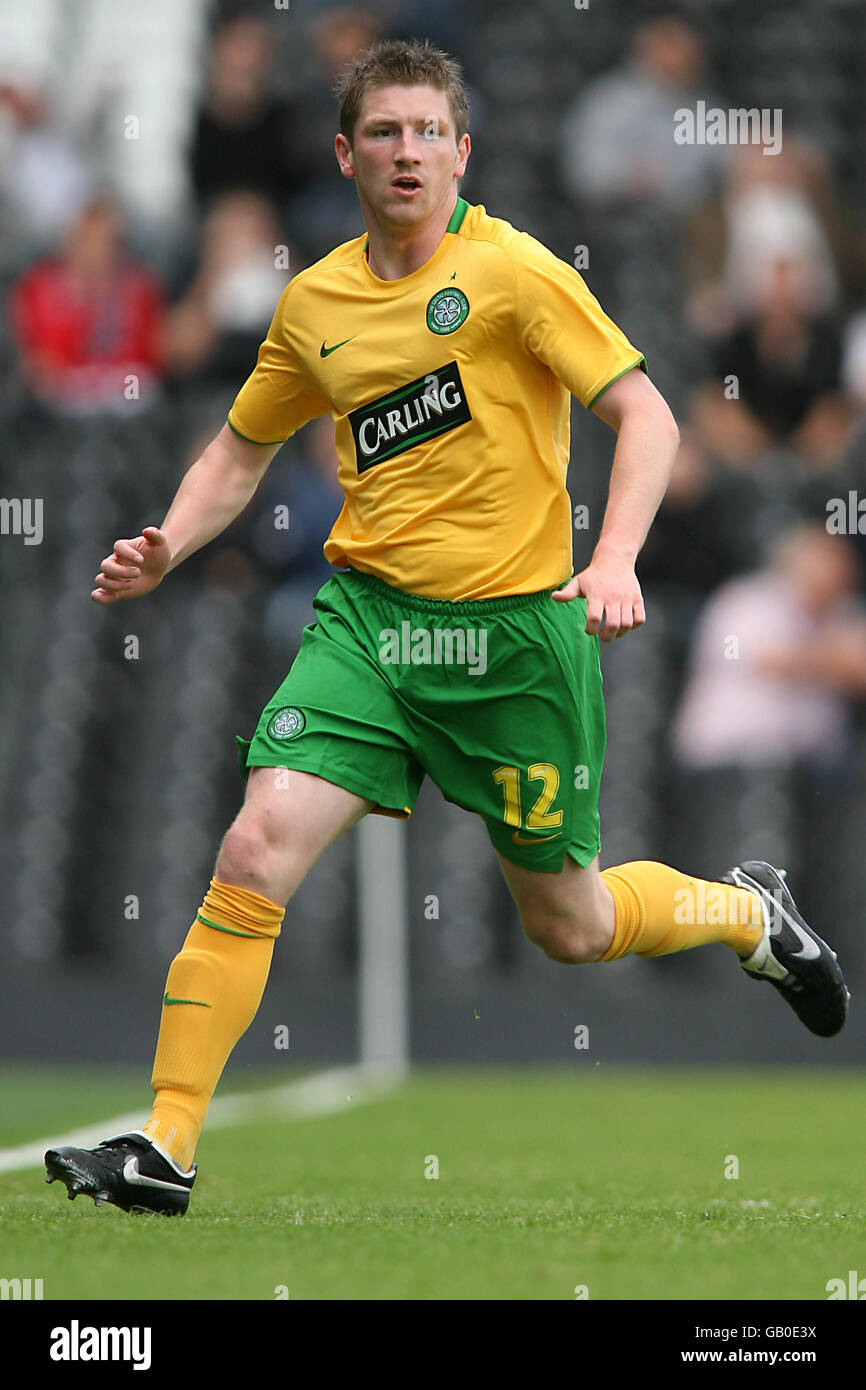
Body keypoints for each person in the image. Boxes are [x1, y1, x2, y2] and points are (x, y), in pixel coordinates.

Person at [44, 39, 849, 1217]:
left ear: (462, 151)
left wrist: (613, 555)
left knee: (567, 926)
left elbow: (648, 416)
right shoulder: (314, 302)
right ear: (346, 153)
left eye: (427, 132)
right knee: (253, 846)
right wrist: (171, 539)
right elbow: (236, 448)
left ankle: (746, 912)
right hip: (369, 627)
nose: (406, 152)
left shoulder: (514, 273)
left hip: (510, 641)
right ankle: (165, 1145)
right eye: (383, 133)